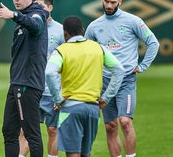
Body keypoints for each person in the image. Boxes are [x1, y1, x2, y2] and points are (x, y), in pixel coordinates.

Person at [85, 0, 160, 157]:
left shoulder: (133, 21)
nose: (109, 5)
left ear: (120, 1)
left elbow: (153, 42)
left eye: (113, 2)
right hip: (105, 81)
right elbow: (86, 52)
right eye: (107, 1)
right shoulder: (94, 26)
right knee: (110, 126)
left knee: (125, 122)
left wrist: (143, 66)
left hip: (126, 79)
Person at [46, 16, 125, 156]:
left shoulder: (61, 50)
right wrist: (107, 97)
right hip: (93, 109)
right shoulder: (98, 48)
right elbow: (119, 70)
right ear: (82, 30)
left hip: (70, 108)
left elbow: (50, 73)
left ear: (65, 33)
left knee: (72, 153)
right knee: (85, 153)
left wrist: (57, 98)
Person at [0, 0, 48, 157]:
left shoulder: (37, 13)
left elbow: (36, 25)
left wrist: (14, 15)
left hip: (28, 83)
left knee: (31, 134)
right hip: (16, 82)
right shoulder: (24, 16)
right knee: (9, 131)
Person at [18, 0, 64, 157]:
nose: (37, 9)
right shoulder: (29, 26)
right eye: (35, 5)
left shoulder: (61, 30)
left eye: (41, 6)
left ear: (50, 8)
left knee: (52, 130)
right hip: (32, 88)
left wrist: (61, 92)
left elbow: (68, 61)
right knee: (25, 131)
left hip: (53, 91)